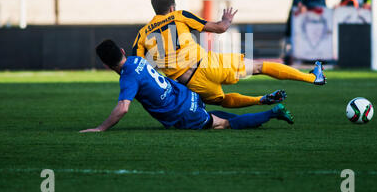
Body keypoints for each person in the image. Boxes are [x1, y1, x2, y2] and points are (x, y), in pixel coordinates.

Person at [131, 0, 326, 109]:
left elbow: (134, 68)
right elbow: (220, 29)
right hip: (208, 64)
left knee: (222, 101)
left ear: (154, 8)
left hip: (189, 82)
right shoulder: (179, 15)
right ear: (172, 7)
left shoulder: (142, 34)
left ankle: (260, 100)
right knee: (258, 67)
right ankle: (313, 78)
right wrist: (226, 20)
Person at [79, 40, 294, 132]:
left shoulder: (127, 77)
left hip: (182, 112)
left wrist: (100, 128)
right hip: (186, 95)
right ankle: (264, 106)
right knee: (216, 117)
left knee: (224, 125)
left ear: (107, 65)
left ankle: (273, 112)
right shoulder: (137, 60)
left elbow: (123, 107)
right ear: (123, 51)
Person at [284, 0, 327, 64]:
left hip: (312, 26)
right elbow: (298, 3)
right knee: (291, 43)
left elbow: (321, 4)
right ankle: (291, 58)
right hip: (296, 26)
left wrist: (307, 7)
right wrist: (301, 5)